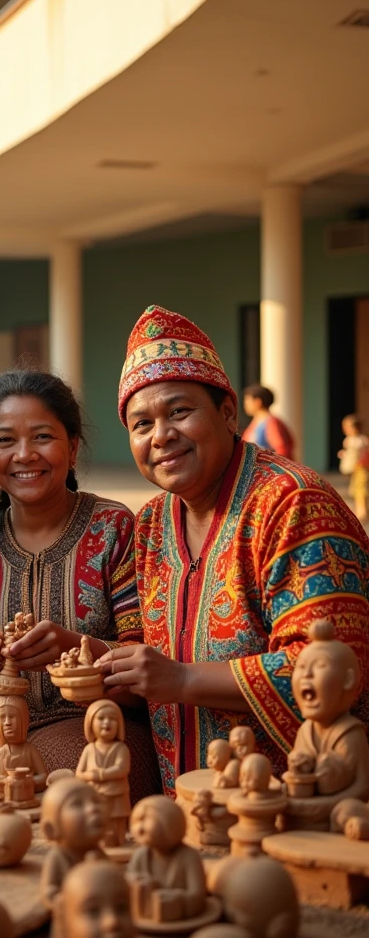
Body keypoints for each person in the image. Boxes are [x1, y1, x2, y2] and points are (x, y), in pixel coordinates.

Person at [96, 305, 369, 795]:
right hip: (187, 810)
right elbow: (156, 663)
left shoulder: (293, 503)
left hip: (297, 804)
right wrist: (101, 659)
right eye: (141, 424)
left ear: (227, 412)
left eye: (179, 411)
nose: (161, 436)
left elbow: (335, 669)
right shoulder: (152, 523)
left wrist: (180, 679)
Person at [0, 368, 161, 802]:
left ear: (73, 446)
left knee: (62, 799)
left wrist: (76, 650)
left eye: (42, 436)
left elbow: (147, 672)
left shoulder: (112, 529)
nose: (24, 454)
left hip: (99, 727)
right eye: (5, 440)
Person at [241, 384, 295, 459]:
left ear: (258, 402)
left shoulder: (271, 423)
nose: (245, 404)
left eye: (247, 400)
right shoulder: (257, 422)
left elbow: (282, 450)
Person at [338, 413, 369, 523]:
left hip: (361, 468)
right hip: (355, 470)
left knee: (361, 490)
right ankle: (359, 511)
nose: (345, 429)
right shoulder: (350, 440)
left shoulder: (359, 440)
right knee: (356, 490)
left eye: (347, 427)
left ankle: (362, 512)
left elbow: (361, 453)